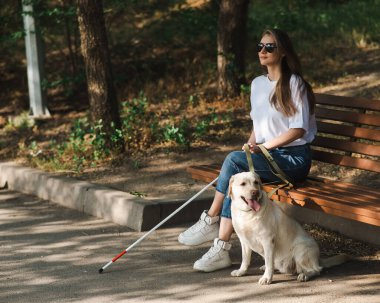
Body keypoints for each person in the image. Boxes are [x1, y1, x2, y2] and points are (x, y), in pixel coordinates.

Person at [178, 28, 317, 272]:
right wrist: (251, 145)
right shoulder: (257, 84)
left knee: (234, 161)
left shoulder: (295, 84)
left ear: (283, 52)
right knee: (237, 168)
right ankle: (220, 243)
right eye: (260, 46)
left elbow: (298, 130)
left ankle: (213, 224)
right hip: (269, 155)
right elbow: (258, 127)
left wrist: (262, 148)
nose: (263, 51)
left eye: (270, 47)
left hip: (293, 159)